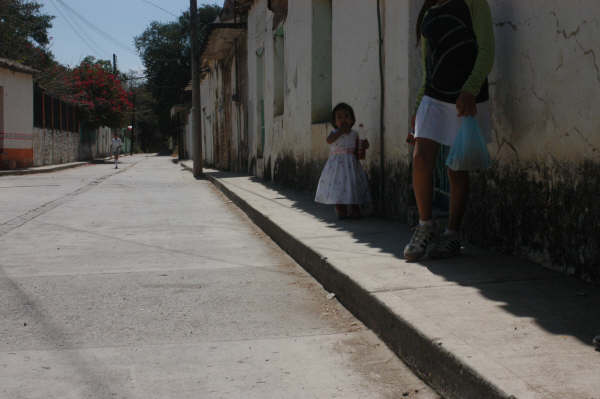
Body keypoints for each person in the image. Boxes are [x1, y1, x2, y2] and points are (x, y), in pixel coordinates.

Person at [404, 0, 495, 261]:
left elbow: (487, 50)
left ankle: (452, 234)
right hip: (433, 96)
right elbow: (427, 68)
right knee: (420, 159)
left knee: (456, 167)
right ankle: (426, 226)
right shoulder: (428, 12)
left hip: (464, 94)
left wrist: (471, 89)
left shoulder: (474, 3)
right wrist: (418, 105)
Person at [315, 103, 371, 219]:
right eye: (339, 117)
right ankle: (341, 208)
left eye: (346, 116)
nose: (343, 120)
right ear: (335, 122)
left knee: (353, 185)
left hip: (351, 165)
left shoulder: (355, 134)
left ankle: (355, 208)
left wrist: (365, 144)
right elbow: (329, 140)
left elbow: (360, 145)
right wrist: (340, 131)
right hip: (337, 167)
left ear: (352, 120)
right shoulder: (334, 133)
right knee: (338, 187)